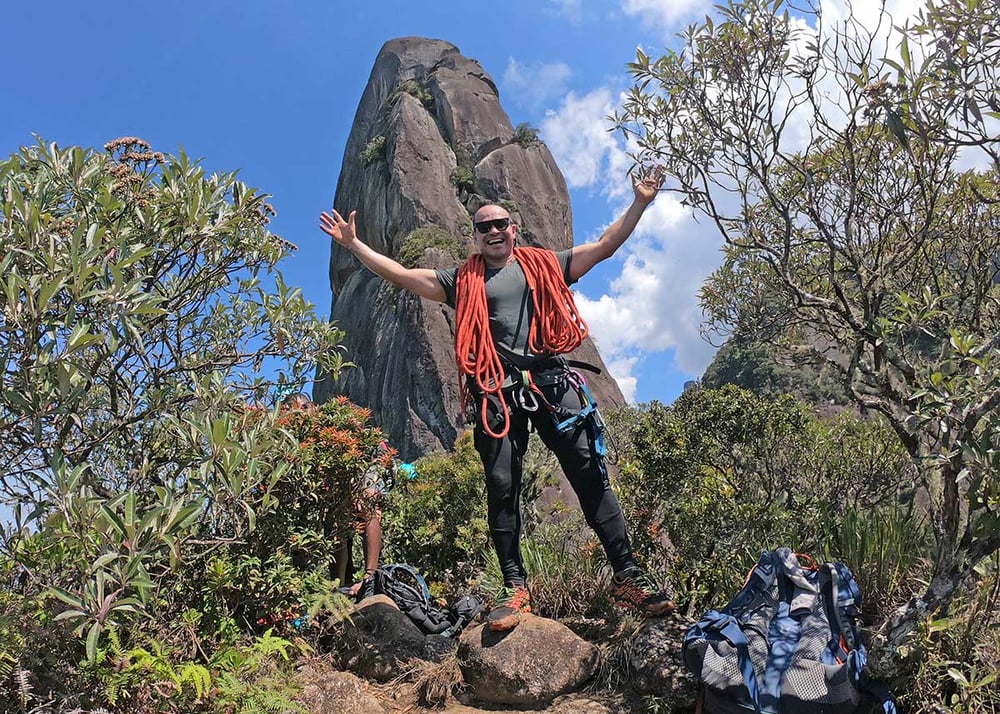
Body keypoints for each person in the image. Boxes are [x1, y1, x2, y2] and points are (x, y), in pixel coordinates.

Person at [319, 168, 672, 631]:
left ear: (513, 228)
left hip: (552, 381)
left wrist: (640, 203)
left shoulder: (541, 263)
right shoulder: (460, 279)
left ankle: (627, 576)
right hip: (497, 391)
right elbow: (404, 275)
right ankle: (514, 588)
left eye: (499, 223)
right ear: (476, 236)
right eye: (483, 226)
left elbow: (604, 246)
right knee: (502, 488)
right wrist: (354, 245)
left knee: (590, 477)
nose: (492, 231)